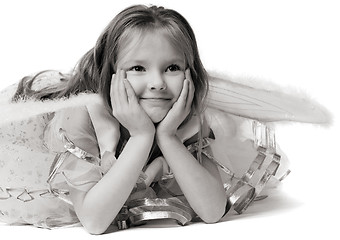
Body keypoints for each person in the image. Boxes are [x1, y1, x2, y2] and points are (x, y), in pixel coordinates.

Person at [0, 4, 330, 235]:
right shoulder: (85, 114)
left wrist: (169, 138)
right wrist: (142, 138)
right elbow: (95, 221)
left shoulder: (184, 112)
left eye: (172, 67)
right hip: (65, 155)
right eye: (138, 68)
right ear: (113, 74)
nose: (157, 82)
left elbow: (213, 211)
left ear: (189, 72)